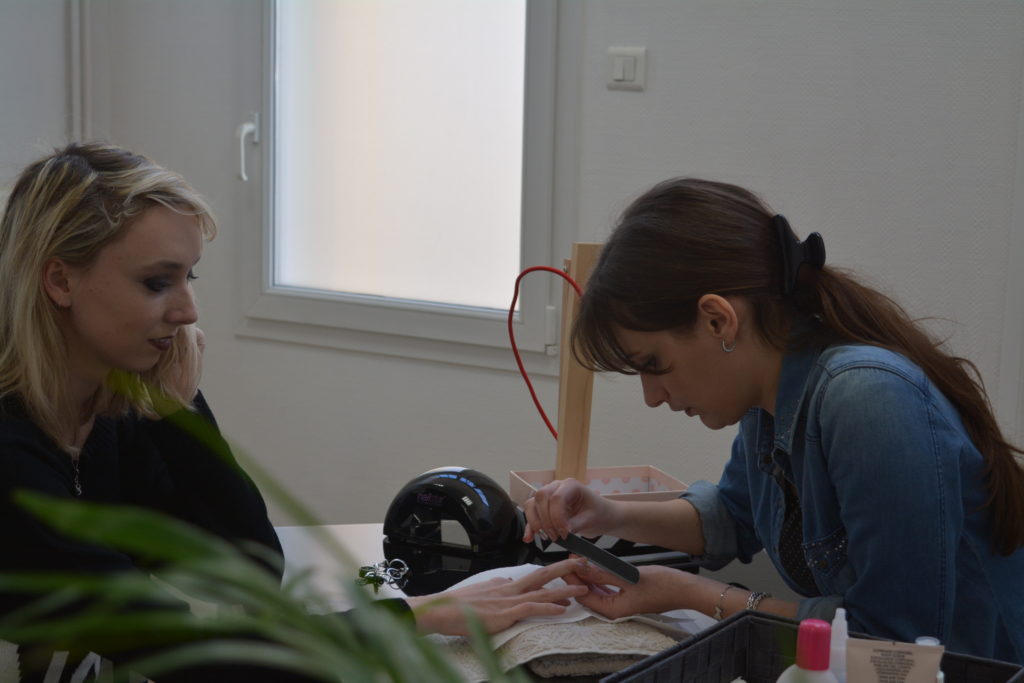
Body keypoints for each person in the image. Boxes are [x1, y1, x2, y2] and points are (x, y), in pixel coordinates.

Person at [0, 142, 587, 681]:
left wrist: (178, 412)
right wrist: (415, 615)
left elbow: (248, 570)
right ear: (60, 280)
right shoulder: (12, 456)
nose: (187, 310)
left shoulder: (117, 410)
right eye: (157, 283)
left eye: (189, 277)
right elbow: (189, 653)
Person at [523, 177, 1024, 663]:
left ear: (718, 320)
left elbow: (889, 646)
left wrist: (691, 593)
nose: (652, 397)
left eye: (654, 364)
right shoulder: (768, 399)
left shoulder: (868, 400)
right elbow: (733, 516)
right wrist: (607, 514)